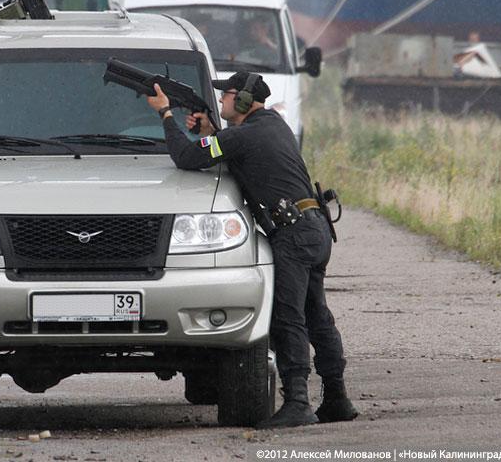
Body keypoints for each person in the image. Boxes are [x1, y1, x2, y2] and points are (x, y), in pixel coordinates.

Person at [146, 72, 358, 429]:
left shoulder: (245, 134)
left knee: (288, 317)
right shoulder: (272, 125)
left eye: (226, 96)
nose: (222, 102)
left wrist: (165, 114)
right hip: (315, 228)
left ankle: (297, 403)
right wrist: (213, 133)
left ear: (243, 101)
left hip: (292, 234)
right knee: (317, 315)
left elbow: (185, 157)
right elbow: (238, 152)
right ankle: (337, 398)